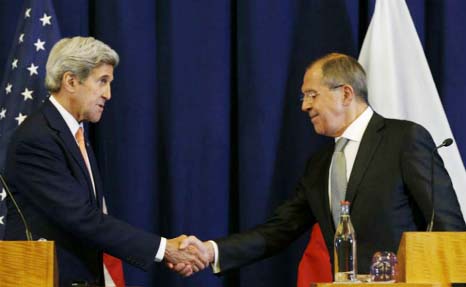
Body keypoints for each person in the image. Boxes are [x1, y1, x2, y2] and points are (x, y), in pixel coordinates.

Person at [172, 53, 466, 277]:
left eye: (312, 95)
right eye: (304, 97)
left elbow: (448, 226)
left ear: (346, 94)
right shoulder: (320, 164)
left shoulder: (403, 139)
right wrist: (211, 251)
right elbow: (279, 230)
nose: (304, 106)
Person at [3, 36, 207, 286]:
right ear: (70, 81)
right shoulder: (36, 138)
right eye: (102, 81)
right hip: (43, 278)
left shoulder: (75, 134)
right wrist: (164, 248)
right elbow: (81, 217)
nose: (108, 94)